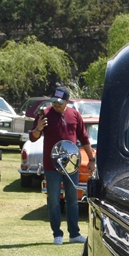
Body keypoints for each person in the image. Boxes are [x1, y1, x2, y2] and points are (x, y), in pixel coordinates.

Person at [30, 84, 94, 244]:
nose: (56, 104)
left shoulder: (75, 115)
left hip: (71, 165)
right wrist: (38, 128)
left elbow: (84, 138)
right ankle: (57, 234)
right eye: (54, 101)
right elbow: (33, 137)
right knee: (54, 200)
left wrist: (91, 159)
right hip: (52, 165)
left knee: (73, 199)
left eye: (59, 102)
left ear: (67, 101)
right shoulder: (44, 114)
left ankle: (74, 234)